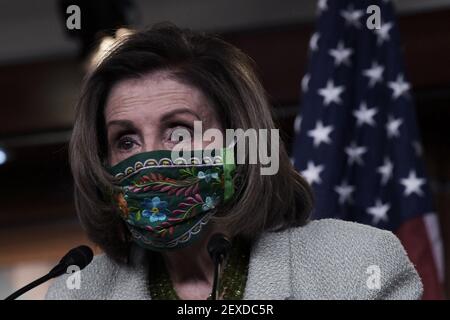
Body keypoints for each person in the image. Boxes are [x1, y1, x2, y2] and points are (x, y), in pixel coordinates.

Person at [46, 23, 422, 300]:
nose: (149, 158)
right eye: (125, 140)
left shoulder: (359, 264)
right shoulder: (75, 293)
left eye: (178, 133)